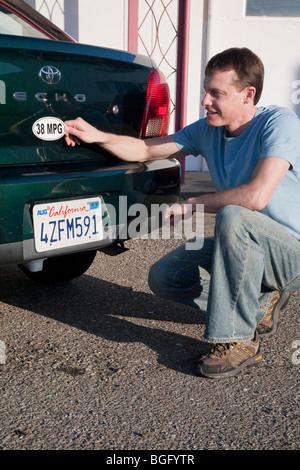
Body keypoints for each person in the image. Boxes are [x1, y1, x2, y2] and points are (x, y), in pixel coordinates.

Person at [64, 47, 300, 379]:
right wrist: (96, 135)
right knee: (166, 277)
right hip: (244, 246)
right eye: (206, 90)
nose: (205, 100)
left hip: (290, 254)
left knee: (232, 215)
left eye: (216, 93)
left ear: (249, 95)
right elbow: (146, 148)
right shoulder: (207, 130)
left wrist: (192, 204)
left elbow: (256, 196)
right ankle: (259, 304)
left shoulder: (280, 123)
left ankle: (240, 338)